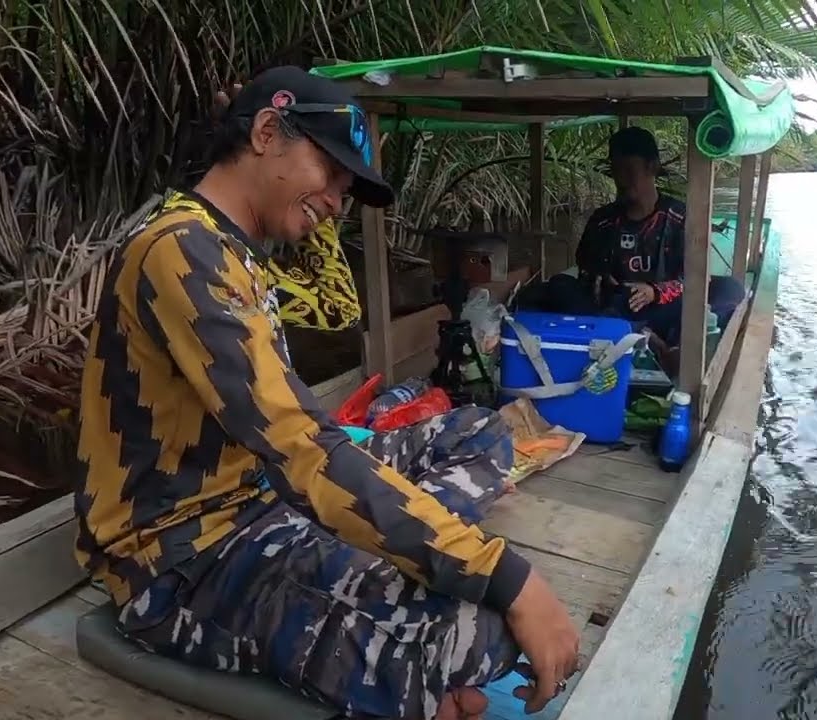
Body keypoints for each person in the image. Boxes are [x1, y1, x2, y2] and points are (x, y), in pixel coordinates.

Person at [73, 67, 579, 720]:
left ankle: (381, 530)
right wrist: (507, 577)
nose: (336, 201)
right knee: (482, 638)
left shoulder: (235, 249)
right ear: (264, 131)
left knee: (483, 428)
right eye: (331, 173)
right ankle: (385, 535)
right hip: (182, 560)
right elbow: (304, 451)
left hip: (271, 495)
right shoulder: (179, 253)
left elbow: (306, 434)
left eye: (346, 188)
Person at [539, 126, 745, 350]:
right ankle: (640, 337)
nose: (620, 179)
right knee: (558, 286)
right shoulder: (602, 220)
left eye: (628, 170)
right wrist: (600, 279)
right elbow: (586, 269)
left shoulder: (680, 218)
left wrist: (654, 291)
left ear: (652, 167)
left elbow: (696, 277)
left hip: (663, 309)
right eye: (616, 171)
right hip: (615, 307)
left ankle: (650, 338)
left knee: (729, 288)